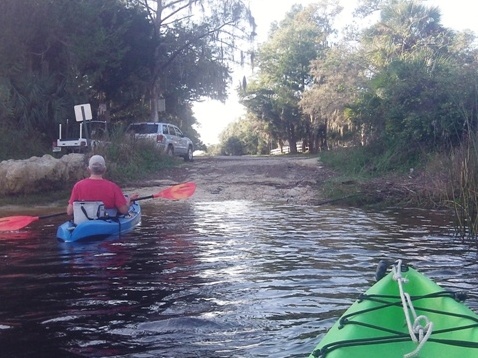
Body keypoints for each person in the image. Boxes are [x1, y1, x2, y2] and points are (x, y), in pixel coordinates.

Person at [66, 155, 138, 216]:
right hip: (108, 224)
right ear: (104, 169)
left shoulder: (78, 186)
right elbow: (124, 210)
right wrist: (129, 201)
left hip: (84, 223)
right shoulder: (113, 187)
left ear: (88, 170)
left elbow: (69, 212)